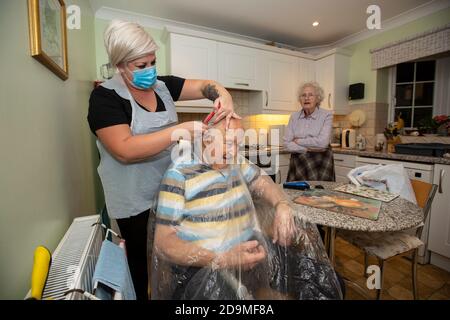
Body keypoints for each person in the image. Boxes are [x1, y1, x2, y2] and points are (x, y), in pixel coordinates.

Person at [87, 20, 239, 300]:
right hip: (134, 203)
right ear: (120, 66)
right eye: (140, 65)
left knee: (176, 260)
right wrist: (178, 131)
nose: (150, 70)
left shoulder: (164, 87)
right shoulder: (104, 98)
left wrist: (224, 98)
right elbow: (125, 149)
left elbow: (208, 85)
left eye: (152, 61)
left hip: (170, 194)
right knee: (142, 269)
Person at [151, 118, 343, 300]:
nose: (233, 151)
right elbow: (164, 243)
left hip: (250, 254)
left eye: (237, 143)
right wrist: (223, 259)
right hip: (207, 267)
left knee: (327, 280)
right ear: (206, 138)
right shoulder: (179, 174)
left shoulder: (235, 162)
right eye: (227, 142)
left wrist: (282, 205)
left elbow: (263, 182)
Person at [283, 82, 335, 182]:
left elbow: (322, 143)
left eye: (310, 95)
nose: (306, 98)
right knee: (296, 194)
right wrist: (308, 149)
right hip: (299, 161)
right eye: (303, 95)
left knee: (321, 194)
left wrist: (298, 141)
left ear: (317, 98)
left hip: (321, 161)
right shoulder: (294, 117)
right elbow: (286, 144)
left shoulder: (327, 115)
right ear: (300, 99)